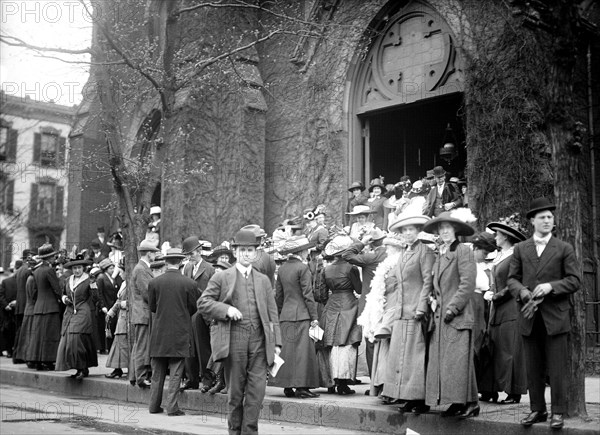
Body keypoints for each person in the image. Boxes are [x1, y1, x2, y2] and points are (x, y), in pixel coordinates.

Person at [198, 229, 282, 435]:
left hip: (260, 343)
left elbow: (272, 314)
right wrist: (226, 310)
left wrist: (277, 344)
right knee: (235, 394)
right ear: (235, 252)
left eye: (250, 250)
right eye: (242, 250)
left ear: (255, 253)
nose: (246, 254)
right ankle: (234, 431)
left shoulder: (263, 280)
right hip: (234, 340)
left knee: (256, 394)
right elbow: (203, 303)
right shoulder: (222, 277)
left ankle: (250, 432)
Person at [507, 198, 581, 430]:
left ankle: (557, 412)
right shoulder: (520, 248)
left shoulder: (563, 248)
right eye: (542, 217)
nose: (547, 220)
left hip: (555, 316)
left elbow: (575, 280)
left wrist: (551, 287)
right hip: (529, 316)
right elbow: (511, 279)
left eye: (550, 217)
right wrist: (522, 292)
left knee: (557, 367)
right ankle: (537, 409)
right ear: (532, 221)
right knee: (533, 366)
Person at [422, 211, 478, 418]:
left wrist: (453, 308)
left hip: (457, 315)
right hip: (441, 317)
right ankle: (460, 402)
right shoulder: (440, 254)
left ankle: (468, 402)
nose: (444, 231)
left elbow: (467, 283)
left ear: (456, 230)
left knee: (458, 361)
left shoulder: (463, 250)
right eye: (441, 228)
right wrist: (433, 300)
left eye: (448, 228)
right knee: (452, 362)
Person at [383, 210, 435, 413]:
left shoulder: (425, 252)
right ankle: (406, 395)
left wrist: (421, 307)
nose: (408, 234)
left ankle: (420, 398)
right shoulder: (404, 253)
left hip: (416, 310)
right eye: (404, 231)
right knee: (401, 354)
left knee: (416, 354)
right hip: (401, 311)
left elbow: (427, 282)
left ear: (418, 231)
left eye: (411, 230)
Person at [479, 219, 527, 404]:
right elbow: (496, 279)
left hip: (511, 309)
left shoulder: (515, 255)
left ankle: (513, 392)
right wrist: (490, 291)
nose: (495, 237)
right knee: (494, 349)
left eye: (497, 234)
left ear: (506, 236)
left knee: (509, 350)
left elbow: (515, 281)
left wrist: (497, 296)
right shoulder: (499, 256)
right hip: (496, 310)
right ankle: (491, 390)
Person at [148, 248, 197, 416]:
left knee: (157, 373)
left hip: (159, 333)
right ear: (181, 262)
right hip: (179, 332)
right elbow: (193, 308)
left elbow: (153, 307)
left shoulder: (154, 283)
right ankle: (172, 407)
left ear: (166, 262)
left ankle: (154, 406)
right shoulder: (189, 284)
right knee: (176, 372)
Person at [270, 235, 320, 399]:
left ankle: (287, 386)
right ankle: (301, 387)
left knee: (287, 352)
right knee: (302, 353)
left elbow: (279, 295)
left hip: (286, 314)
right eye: (307, 250)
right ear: (302, 251)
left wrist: (278, 314)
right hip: (302, 314)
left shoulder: (283, 268)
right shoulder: (303, 268)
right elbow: (308, 295)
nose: (308, 252)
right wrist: (314, 317)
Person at [356, 233, 404, 400]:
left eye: (390, 247)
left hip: (394, 310)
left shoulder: (399, 264)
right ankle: (384, 386)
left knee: (392, 349)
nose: (387, 249)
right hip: (385, 310)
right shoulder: (387, 264)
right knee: (384, 348)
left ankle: (390, 388)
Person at [342, 227, 387, 379]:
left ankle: (375, 381)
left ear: (371, 243)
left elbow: (347, 255)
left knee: (371, 343)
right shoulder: (390, 255)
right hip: (388, 303)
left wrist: (361, 243)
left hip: (370, 305)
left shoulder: (370, 257)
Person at [320, 235, 362, 395]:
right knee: (347, 342)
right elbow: (358, 289)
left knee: (330, 343)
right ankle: (343, 383)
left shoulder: (327, 269)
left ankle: (330, 381)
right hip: (348, 304)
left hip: (331, 305)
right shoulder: (351, 268)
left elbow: (322, 293)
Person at [181, 236, 215, 392]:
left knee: (203, 347)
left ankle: (208, 379)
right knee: (189, 348)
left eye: (192, 254)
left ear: (200, 251)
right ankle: (192, 379)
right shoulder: (187, 268)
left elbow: (213, 292)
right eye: (187, 255)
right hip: (189, 312)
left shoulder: (209, 269)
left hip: (203, 313)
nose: (190, 257)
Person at [55, 255, 98, 380]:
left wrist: (93, 285)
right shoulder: (68, 280)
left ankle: (83, 368)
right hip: (69, 312)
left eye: (79, 268)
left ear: (83, 268)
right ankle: (79, 368)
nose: (77, 270)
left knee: (76, 338)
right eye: (74, 268)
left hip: (82, 311)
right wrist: (64, 299)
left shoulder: (88, 279)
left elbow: (95, 298)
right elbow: (62, 293)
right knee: (68, 340)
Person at [470, 232, 497, 400]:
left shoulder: (479, 266)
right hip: (472, 303)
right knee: (473, 343)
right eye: (484, 253)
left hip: (480, 304)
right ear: (476, 248)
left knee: (479, 341)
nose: (485, 257)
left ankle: (480, 386)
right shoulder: (468, 263)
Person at [130, 239, 160, 388]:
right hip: (143, 314)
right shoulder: (142, 269)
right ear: (149, 254)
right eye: (154, 252)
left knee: (140, 345)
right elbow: (148, 293)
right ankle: (140, 377)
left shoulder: (141, 268)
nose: (155, 255)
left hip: (141, 313)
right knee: (142, 346)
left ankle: (136, 375)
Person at [29, 244, 62, 370]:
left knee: (38, 336)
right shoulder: (49, 270)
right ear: (49, 258)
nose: (55, 258)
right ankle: (47, 361)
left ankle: (37, 360)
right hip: (51, 307)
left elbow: (35, 291)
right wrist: (63, 298)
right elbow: (57, 289)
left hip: (39, 307)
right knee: (50, 335)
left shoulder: (36, 271)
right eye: (53, 256)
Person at [96, 259, 122, 355]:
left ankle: (111, 347)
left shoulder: (112, 278)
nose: (112, 270)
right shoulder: (101, 278)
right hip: (105, 306)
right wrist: (102, 306)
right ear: (106, 269)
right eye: (110, 268)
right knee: (106, 327)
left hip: (112, 305)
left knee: (111, 326)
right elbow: (99, 293)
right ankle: (105, 347)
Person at [12, 249, 34, 364]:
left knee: (19, 331)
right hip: (26, 304)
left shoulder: (20, 270)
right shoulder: (28, 271)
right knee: (24, 331)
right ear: (28, 258)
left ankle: (16, 355)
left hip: (20, 304)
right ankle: (21, 355)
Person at [105, 280, 129, 379]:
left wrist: (124, 304)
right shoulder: (124, 283)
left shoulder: (130, 283)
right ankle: (118, 369)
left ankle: (119, 369)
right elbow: (119, 301)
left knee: (121, 344)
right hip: (122, 317)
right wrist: (111, 312)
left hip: (126, 318)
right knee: (120, 344)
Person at [0, 261, 19, 358]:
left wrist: (7, 305)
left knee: (12, 331)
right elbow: (1, 295)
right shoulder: (6, 281)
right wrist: (6, 305)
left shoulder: (6, 281)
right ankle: (9, 350)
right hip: (9, 311)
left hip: (12, 310)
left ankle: (10, 350)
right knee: (9, 331)